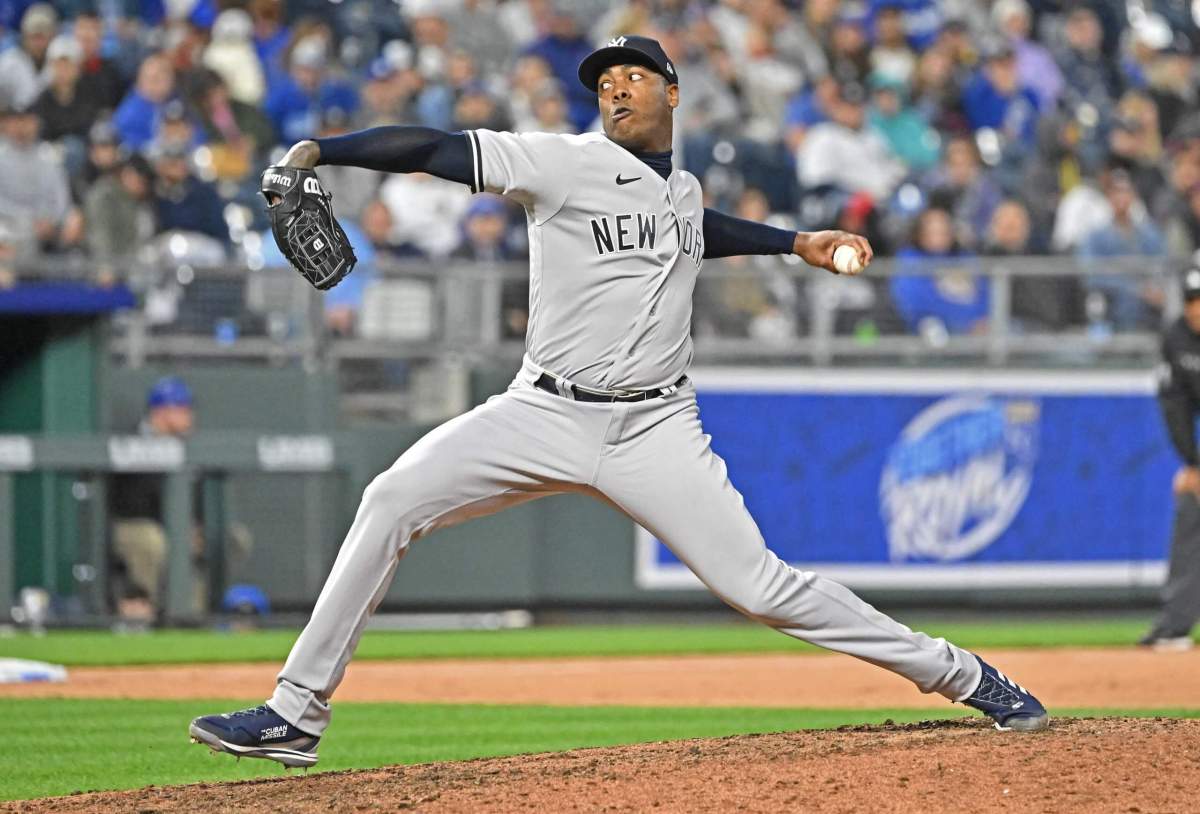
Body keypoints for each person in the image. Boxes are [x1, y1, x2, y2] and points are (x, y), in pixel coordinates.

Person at [189, 34, 1049, 769]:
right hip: (542, 412)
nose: (614, 85)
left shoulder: (682, 190)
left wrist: (796, 244)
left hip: (657, 427)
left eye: (633, 74)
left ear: (673, 92)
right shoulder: (564, 163)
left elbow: (693, 231)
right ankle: (296, 713)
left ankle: (965, 675)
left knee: (765, 588)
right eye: (604, 79)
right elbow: (436, 150)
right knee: (390, 499)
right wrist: (322, 151)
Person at [1141, 269, 1200, 651]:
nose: (1198, 310)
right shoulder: (1176, 337)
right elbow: (1174, 407)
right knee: (1190, 509)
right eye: (1193, 302)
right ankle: (1175, 625)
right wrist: (1194, 465)